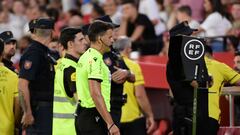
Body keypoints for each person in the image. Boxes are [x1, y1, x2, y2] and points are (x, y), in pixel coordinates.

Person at [75, 20, 120, 135]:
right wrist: (110, 123)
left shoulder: (86, 56)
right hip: (94, 116)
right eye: (109, 37)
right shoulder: (95, 60)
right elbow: (95, 93)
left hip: (84, 114)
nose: (112, 40)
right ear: (100, 39)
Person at [97, 15, 135, 128]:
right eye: (111, 30)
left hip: (117, 105)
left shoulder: (115, 53)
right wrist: (111, 77)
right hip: (104, 106)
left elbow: (133, 78)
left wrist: (126, 73)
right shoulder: (95, 54)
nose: (114, 33)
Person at [18, 18, 55, 135]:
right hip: (39, 110)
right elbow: (22, 84)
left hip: (44, 109)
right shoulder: (34, 53)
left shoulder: (43, 52)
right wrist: (27, 112)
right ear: (52, 33)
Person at [113, 37, 156, 135]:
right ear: (127, 49)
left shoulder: (108, 64)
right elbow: (140, 95)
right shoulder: (133, 66)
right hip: (132, 119)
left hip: (113, 119)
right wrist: (150, 115)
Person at [52, 27, 88, 135]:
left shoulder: (62, 64)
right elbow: (82, 101)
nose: (85, 42)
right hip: (72, 128)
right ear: (71, 44)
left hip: (60, 128)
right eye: (81, 40)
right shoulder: (72, 69)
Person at [204, 45, 240, 134]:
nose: (235, 66)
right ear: (212, 56)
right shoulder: (219, 66)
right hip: (210, 116)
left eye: (238, 62)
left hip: (188, 115)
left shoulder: (186, 68)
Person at [0, 40, 21, 135]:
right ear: (1, 54)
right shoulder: (13, 76)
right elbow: (17, 105)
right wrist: (16, 125)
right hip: (6, 129)